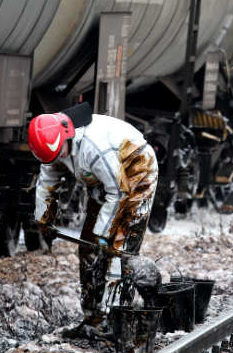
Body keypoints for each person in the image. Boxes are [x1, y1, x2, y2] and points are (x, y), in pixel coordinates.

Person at [28, 103, 159, 339]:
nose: (59, 159)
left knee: (118, 253)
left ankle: (119, 321)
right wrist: (44, 218)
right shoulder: (52, 148)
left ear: (66, 137)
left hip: (136, 176)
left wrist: (103, 234)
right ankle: (92, 319)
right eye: (54, 157)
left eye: (60, 154)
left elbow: (119, 193)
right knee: (87, 250)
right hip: (104, 184)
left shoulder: (94, 147)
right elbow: (47, 182)